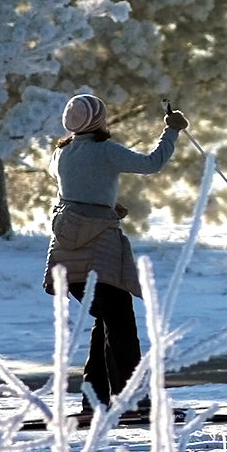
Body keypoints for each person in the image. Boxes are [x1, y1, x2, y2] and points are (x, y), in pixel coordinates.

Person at [42, 93, 189, 412]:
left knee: (107, 321)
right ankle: (134, 401)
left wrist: (103, 205)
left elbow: (74, 191)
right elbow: (153, 164)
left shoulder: (60, 154)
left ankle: (95, 401)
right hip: (99, 252)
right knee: (120, 323)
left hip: (66, 253)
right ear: (97, 120)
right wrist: (172, 130)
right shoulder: (106, 151)